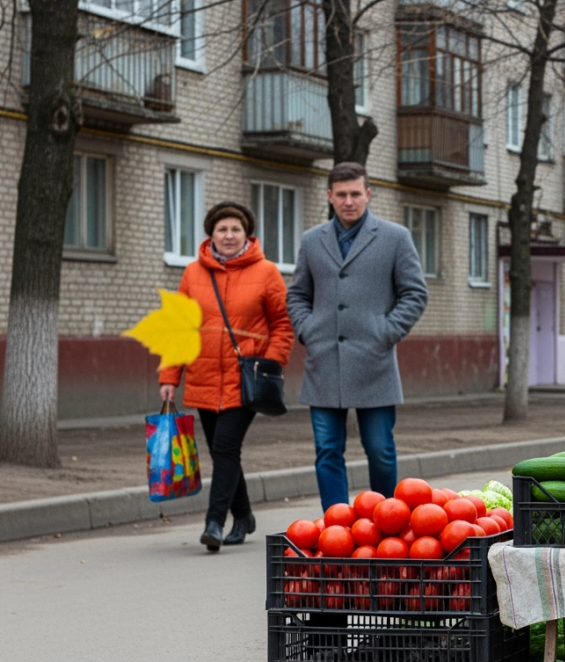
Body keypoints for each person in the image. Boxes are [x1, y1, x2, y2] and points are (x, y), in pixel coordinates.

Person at [287, 162, 428, 510]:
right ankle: (336, 525)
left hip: (374, 362)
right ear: (330, 197)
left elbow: (415, 293)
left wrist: (387, 331)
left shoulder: (395, 237)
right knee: (327, 450)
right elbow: (297, 294)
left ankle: (385, 521)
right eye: (341, 195)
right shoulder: (312, 240)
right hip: (324, 363)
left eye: (355, 194)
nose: (349, 201)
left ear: (368, 194)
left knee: (380, 450)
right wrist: (308, 330)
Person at [160, 202, 294, 552]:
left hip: (245, 378)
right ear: (212, 234)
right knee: (223, 453)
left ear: (247, 234)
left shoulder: (267, 272)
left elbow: (282, 324)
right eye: (222, 230)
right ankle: (245, 515)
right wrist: (170, 376)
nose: (229, 235)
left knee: (225, 447)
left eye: (235, 229)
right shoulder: (193, 273)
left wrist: (270, 363)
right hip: (203, 376)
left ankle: (214, 522)